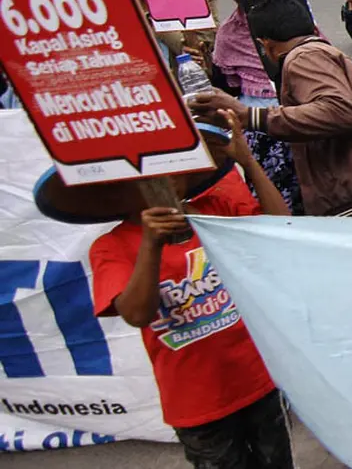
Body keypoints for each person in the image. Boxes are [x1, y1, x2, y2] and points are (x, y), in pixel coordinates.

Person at [65, 118, 293, 468]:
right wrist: (152, 245)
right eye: (147, 173)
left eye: (173, 163)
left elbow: (281, 232)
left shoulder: (215, 209)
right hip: (198, 405)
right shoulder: (112, 246)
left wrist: (247, 162)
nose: (165, 176)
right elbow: (136, 314)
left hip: (259, 379)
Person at [191, 0, 352, 217]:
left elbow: (340, 111)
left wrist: (250, 116)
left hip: (351, 197)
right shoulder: (327, 54)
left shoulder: (302, 57)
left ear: (265, 45)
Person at [191, 0, 303, 214]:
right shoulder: (229, 33)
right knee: (267, 192)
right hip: (256, 126)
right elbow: (223, 86)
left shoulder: (294, 18)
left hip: (295, 118)